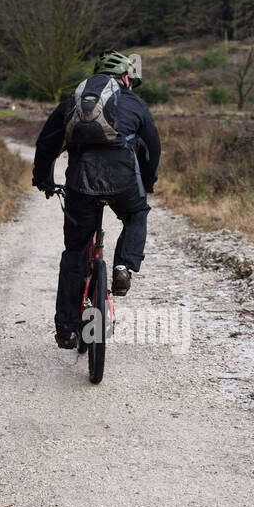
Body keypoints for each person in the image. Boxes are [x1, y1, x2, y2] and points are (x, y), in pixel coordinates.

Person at [32, 50, 161, 349]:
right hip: (123, 182)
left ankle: (66, 329)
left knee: (75, 252)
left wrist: (44, 179)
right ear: (127, 77)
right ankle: (122, 267)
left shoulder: (72, 101)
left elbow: (47, 143)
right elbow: (152, 146)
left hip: (80, 184)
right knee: (136, 214)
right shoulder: (134, 102)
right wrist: (148, 180)